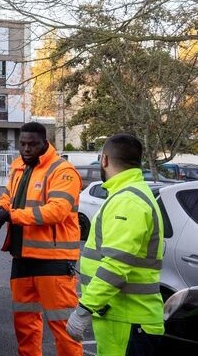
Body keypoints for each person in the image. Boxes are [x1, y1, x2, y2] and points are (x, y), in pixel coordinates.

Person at [0, 121, 83, 356]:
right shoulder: (19, 166)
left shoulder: (62, 171)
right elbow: (9, 195)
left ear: (45, 143)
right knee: (25, 325)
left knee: (63, 327)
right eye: (23, 144)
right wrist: (0, 208)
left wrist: (12, 215)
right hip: (22, 257)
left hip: (54, 260)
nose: (27, 149)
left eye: (33, 144)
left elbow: (57, 211)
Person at [66, 134, 164, 355]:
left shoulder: (127, 201)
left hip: (128, 321)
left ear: (105, 160)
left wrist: (84, 309)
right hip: (125, 320)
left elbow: (115, 266)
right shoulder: (128, 195)